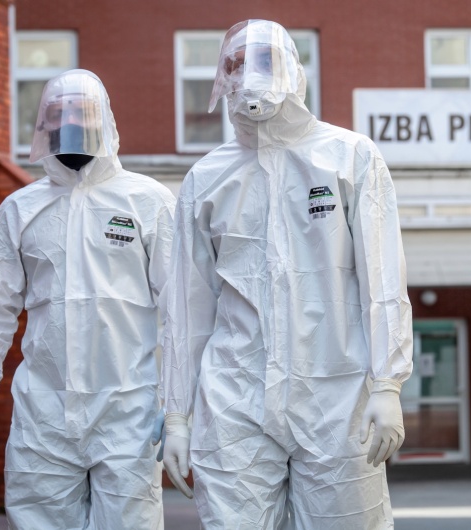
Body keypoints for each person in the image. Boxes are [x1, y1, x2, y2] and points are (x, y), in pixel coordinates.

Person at [162, 19, 413, 530]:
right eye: (235, 65)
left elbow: (383, 280)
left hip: (336, 393)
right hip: (234, 398)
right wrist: (176, 415)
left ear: (293, 71)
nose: (248, 76)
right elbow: (187, 309)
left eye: (264, 62)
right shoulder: (208, 178)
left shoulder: (349, 157)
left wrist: (387, 383)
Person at [0, 69, 174, 529]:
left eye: (82, 113)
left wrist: (178, 403)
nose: (70, 123)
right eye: (59, 114)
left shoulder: (148, 202)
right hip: (44, 412)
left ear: (103, 119)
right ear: (44, 123)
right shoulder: (21, 209)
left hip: (128, 409)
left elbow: (182, 310)